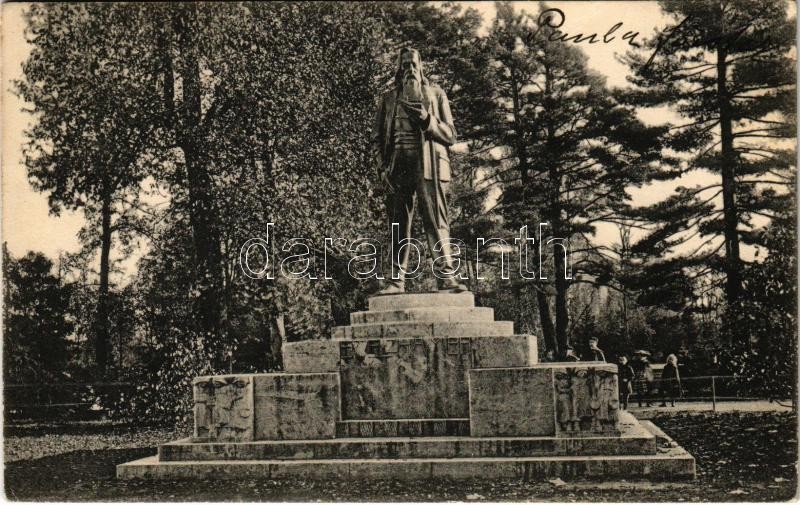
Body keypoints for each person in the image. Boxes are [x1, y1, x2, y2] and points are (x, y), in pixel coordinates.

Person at [372, 47, 468, 294]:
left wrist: (427, 120)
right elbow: (377, 138)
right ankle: (396, 282)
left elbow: (451, 135)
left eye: (414, 65)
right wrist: (382, 169)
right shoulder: (388, 99)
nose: (410, 70)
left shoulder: (436, 94)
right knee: (398, 224)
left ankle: (446, 277)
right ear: (399, 69)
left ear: (421, 67)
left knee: (436, 220)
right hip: (397, 167)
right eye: (405, 65)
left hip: (430, 166)